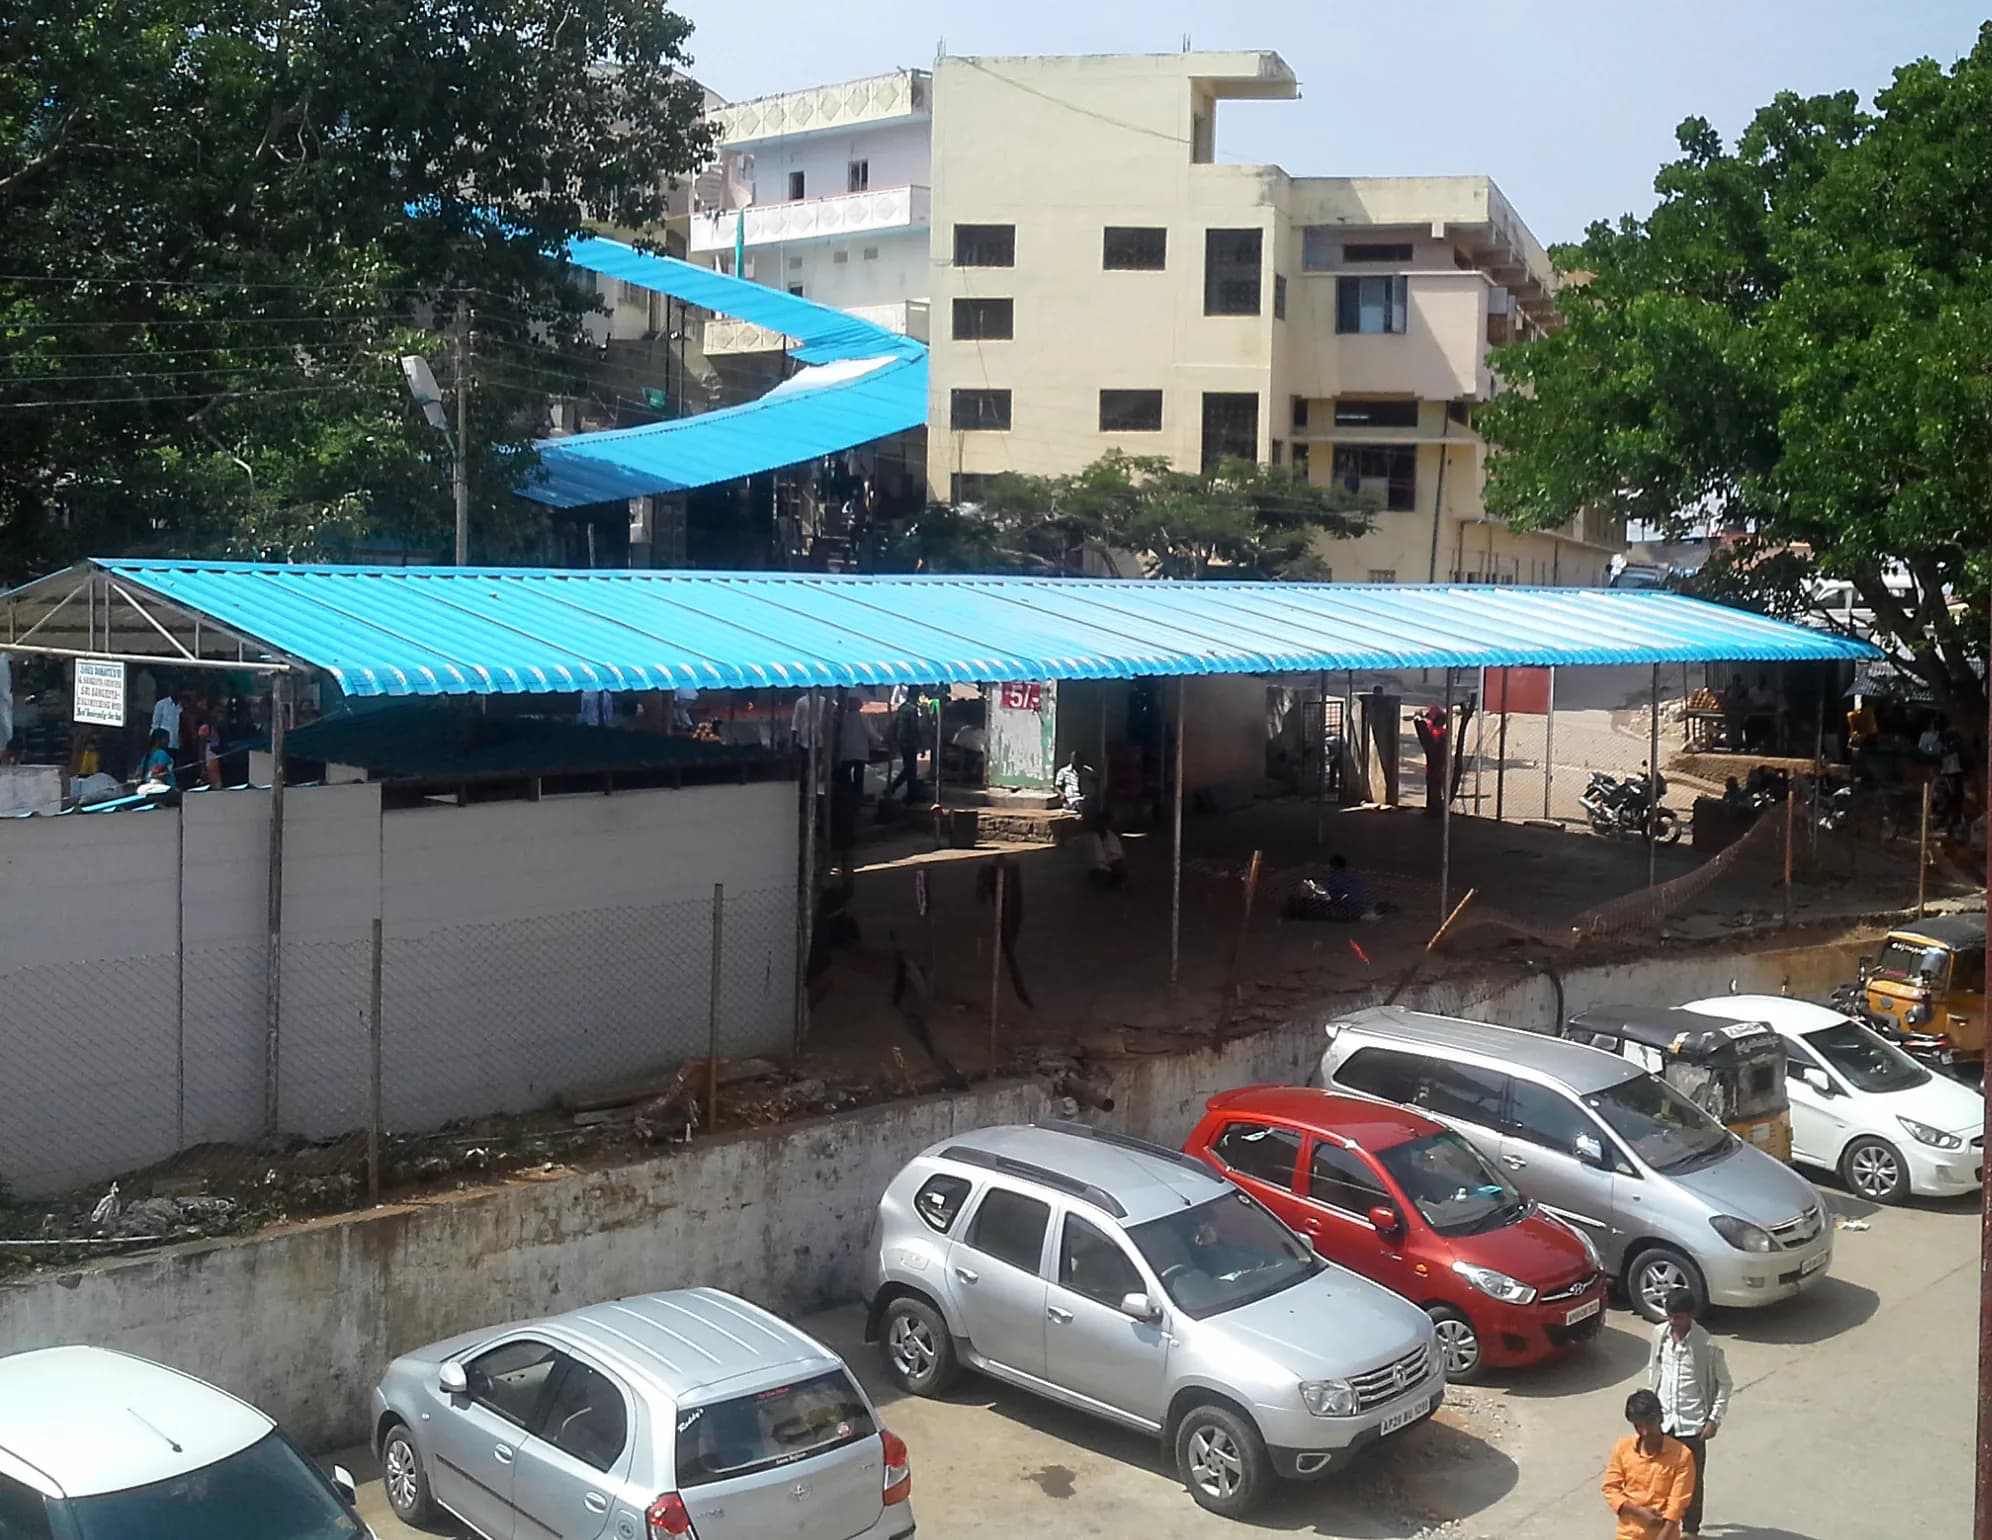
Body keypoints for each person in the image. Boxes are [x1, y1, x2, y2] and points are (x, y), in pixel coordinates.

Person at [1646, 1288, 1729, 1538]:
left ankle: (1691, 1530)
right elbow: (1654, 1369)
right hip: (1664, 1423)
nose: (1673, 1322)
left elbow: (1725, 1384)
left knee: (1691, 1481)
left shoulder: (1707, 1346)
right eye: (1670, 1315)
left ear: (1691, 1315)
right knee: (1660, 1476)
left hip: (1692, 1425)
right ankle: (1663, 1525)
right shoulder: (1659, 1335)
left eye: (1678, 1317)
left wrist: (1714, 1419)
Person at [1603, 1388, 1696, 1540]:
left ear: (1661, 1418)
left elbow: (1677, 1505)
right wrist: (1638, 1511)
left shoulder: (1682, 1456)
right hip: (1627, 1534)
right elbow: (1610, 1488)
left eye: (1649, 1424)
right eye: (1638, 1426)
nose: (1645, 1431)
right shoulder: (1623, 1448)